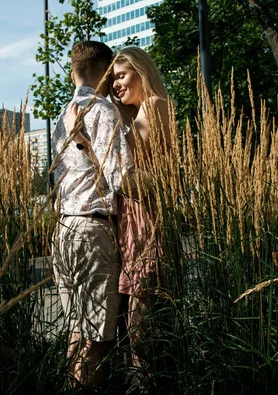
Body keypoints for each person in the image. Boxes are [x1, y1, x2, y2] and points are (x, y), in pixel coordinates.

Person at [65, 45, 172, 382]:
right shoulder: (127, 114)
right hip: (125, 220)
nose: (115, 85)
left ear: (142, 72)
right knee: (122, 324)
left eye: (121, 76)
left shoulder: (155, 106)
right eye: (111, 79)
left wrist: (84, 141)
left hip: (143, 220)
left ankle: (146, 384)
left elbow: (151, 177)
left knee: (139, 323)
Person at [51, 40, 135, 387]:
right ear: (103, 71)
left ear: (74, 71)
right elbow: (121, 177)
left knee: (77, 331)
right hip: (91, 230)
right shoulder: (102, 110)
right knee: (98, 339)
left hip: (63, 230)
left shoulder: (62, 115)